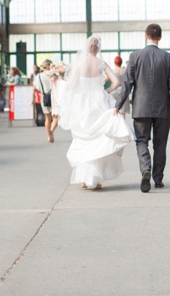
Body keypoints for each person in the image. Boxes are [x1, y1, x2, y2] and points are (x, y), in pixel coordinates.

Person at [57, 36, 134, 190]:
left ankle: (85, 178)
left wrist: (59, 82)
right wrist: (105, 91)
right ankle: (96, 178)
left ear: (86, 47)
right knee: (99, 139)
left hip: (83, 104)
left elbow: (71, 86)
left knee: (85, 140)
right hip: (100, 102)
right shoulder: (102, 63)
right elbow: (117, 83)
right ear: (98, 48)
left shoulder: (79, 62)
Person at [114, 24, 170, 193]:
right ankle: (158, 179)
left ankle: (146, 169)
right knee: (160, 144)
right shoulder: (168, 58)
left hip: (141, 107)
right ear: (160, 37)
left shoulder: (135, 56)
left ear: (145, 37)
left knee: (142, 141)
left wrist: (118, 105)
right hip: (162, 108)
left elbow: (127, 84)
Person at [35, 60, 58, 143]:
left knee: (47, 118)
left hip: (44, 97)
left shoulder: (38, 76)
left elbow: (37, 87)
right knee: (55, 118)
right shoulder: (53, 75)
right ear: (49, 66)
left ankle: (49, 136)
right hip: (54, 97)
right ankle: (51, 130)